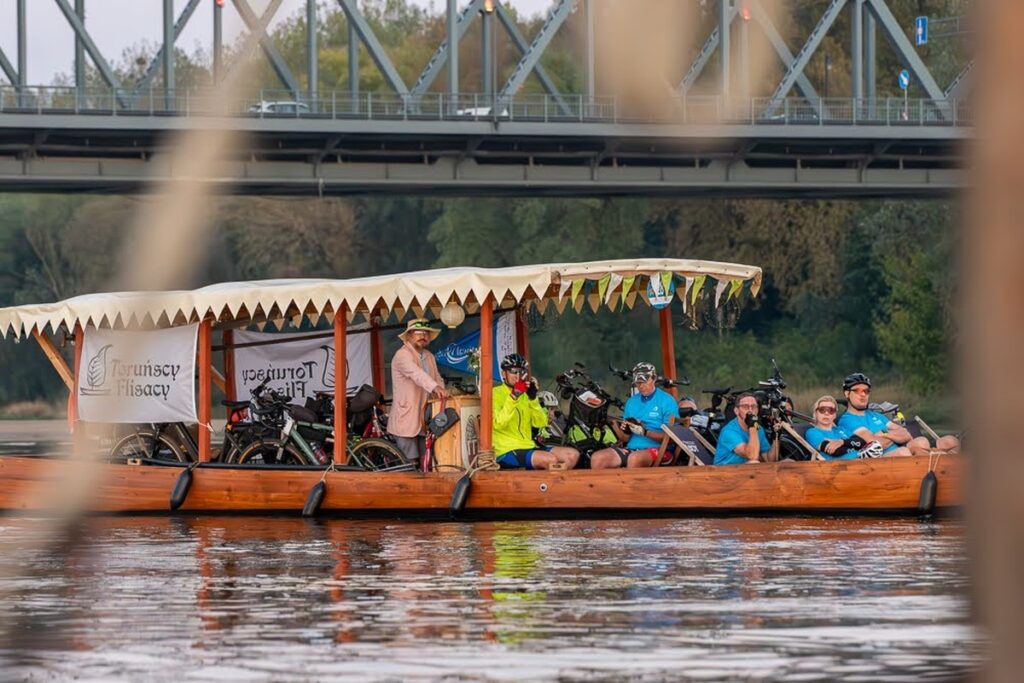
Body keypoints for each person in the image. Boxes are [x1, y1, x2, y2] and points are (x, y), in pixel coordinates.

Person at [838, 373, 960, 456]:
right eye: (857, 391)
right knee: (906, 451)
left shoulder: (875, 415)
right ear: (847, 393)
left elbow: (906, 434)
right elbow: (875, 444)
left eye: (866, 391)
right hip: (882, 461)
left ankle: (946, 470)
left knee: (948, 441)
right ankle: (936, 463)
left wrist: (884, 434)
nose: (863, 394)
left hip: (903, 450)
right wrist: (893, 437)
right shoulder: (847, 420)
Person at [493, 353, 579, 470]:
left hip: (528, 446)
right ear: (504, 373)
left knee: (572, 455)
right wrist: (513, 397)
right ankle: (553, 485)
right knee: (550, 460)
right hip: (506, 450)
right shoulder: (495, 394)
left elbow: (540, 423)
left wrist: (533, 399)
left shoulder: (525, 394)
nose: (517, 376)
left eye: (521, 371)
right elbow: (499, 423)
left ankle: (557, 483)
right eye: (513, 371)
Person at [591, 362, 679, 469]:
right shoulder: (631, 402)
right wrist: (621, 427)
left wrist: (645, 431)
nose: (641, 386)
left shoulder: (667, 401)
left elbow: (673, 438)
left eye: (644, 381)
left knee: (634, 458)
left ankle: (629, 486)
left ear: (654, 378)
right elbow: (625, 439)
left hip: (660, 450)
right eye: (638, 383)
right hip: (632, 448)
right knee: (598, 458)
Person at [387, 318, 448, 464]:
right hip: (407, 416)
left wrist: (444, 391)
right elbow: (417, 374)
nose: (423, 336)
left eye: (426, 333)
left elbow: (437, 377)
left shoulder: (429, 356)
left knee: (426, 460)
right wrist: (435, 388)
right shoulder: (402, 355)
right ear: (408, 336)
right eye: (418, 333)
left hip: (424, 416)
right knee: (410, 462)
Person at [713, 392, 779, 465]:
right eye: (745, 406)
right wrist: (752, 426)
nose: (750, 410)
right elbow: (752, 456)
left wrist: (776, 438)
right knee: (754, 463)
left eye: (753, 406)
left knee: (788, 463)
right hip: (723, 472)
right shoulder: (729, 431)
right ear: (736, 411)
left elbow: (769, 460)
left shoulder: (759, 429)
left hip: (745, 471)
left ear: (757, 410)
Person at [805, 395, 868, 460]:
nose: (826, 413)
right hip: (839, 467)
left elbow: (862, 442)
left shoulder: (841, 429)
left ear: (835, 415)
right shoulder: (812, 432)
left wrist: (842, 442)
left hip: (862, 461)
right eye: (822, 410)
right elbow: (835, 451)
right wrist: (853, 445)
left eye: (831, 410)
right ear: (815, 413)